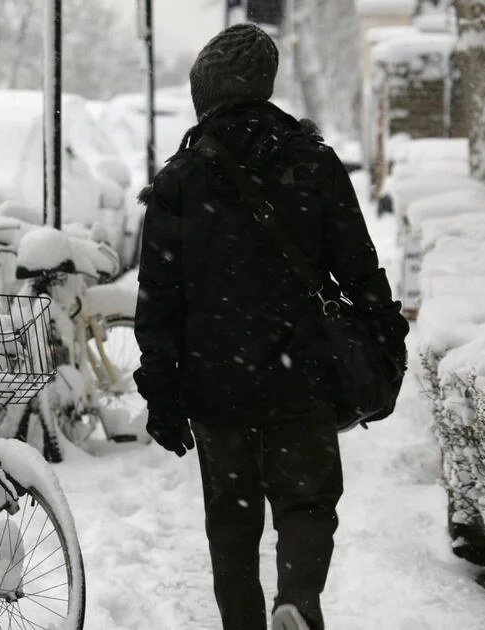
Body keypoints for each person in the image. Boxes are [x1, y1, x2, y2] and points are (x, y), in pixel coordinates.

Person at [134, 23, 408, 630]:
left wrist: (162, 392)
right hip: (300, 374)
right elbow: (360, 271)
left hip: (215, 384)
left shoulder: (179, 180)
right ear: (265, 87)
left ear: (204, 92)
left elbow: (158, 302)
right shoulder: (312, 162)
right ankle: (298, 601)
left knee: (231, 526)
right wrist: (388, 343)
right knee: (307, 503)